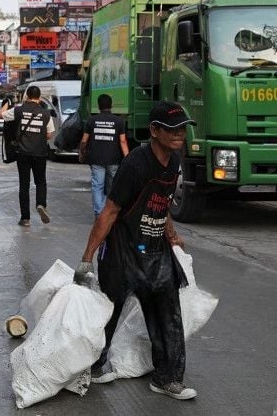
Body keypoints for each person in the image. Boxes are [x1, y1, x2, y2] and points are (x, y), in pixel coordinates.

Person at [76, 100, 197, 400]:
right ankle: (94, 366)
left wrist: (172, 236)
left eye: (182, 128)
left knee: (168, 313)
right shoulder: (135, 165)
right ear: (154, 131)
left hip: (155, 248)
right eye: (172, 129)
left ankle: (167, 378)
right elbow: (110, 211)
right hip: (123, 249)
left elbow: (162, 202)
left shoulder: (175, 161)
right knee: (110, 310)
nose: (179, 134)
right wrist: (87, 258)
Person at [0, 85, 55, 227]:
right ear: (39, 97)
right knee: (40, 182)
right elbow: (49, 134)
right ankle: (41, 204)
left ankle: (25, 219)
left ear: (27, 96)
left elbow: (0, 115)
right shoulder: (46, 113)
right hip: (40, 153)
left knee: (24, 185)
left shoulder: (18, 110)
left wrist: (6, 103)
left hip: (23, 153)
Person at [79, 94, 129, 219]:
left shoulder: (92, 121)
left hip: (96, 159)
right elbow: (123, 141)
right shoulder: (119, 121)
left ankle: (99, 213)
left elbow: (84, 141)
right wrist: (127, 158)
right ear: (111, 105)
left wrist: (82, 153)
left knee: (97, 186)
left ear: (98, 106)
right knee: (112, 186)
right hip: (114, 159)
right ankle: (110, 213)